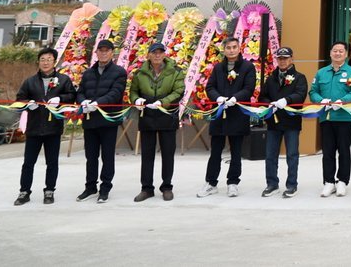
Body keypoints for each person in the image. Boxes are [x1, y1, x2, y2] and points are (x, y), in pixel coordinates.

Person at [14, 47, 75, 205]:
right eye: (42, 59)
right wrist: (28, 104)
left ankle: (49, 191)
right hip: (34, 128)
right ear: (38, 62)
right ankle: (24, 192)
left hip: (53, 128)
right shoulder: (30, 81)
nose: (45, 62)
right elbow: (19, 99)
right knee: (28, 163)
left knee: (52, 162)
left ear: (54, 62)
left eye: (49, 59)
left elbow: (72, 96)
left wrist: (60, 99)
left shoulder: (63, 80)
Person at [197, 36, 256, 198]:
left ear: (239, 48)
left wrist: (235, 98)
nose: (231, 50)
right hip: (220, 114)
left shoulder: (248, 67)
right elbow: (210, 87)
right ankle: (211, 183)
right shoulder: (218, 68)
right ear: (224, 50)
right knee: (215, 151)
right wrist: (218, 98)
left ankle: (233, 183)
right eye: (228, 48)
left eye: (234, 47)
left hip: (238, 114)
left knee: (236, 151)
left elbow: (249, 88)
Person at [128, 41, 185, 202]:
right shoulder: (140, 73)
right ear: (148, 55)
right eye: (154, 52)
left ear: (164, 54)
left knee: (168, 154)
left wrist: (163, 102)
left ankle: (167, 187)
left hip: (167, 115)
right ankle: (146, 188)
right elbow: (133, 91)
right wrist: (136, 100)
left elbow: (179, 91)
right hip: (147, 116)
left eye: (160, 52)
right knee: (147, 155)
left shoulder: (175, 71)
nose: (157, 55)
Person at [75, 39, 127, 203]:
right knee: (90, 156)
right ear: (96, 52)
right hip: (90, 120)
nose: (103, 53)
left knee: (107, 156)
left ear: (112, 53)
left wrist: (97, 103)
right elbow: (80, 92)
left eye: (107, 50)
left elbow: (115, 93)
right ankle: (90, 187)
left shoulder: (119, 72)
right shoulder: (88, 73)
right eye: (101, 50)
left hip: (108, 121)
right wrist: (83, 102)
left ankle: (105, 188)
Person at [309, 40, 351, 197]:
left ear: (346, 54)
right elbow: (313, 92)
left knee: (344, 150)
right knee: (328, 151)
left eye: (341, 51)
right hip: (326, 118)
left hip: (344, 118)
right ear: (330, 53)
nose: (337, 53)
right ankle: (328, 182)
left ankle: (342, 181)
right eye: (335, 51)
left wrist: (342, 101)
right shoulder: (321, 73)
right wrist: (321, 100)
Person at [261, 46, 307, 198]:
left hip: (291, 122)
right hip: (273, 122)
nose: (282, 61)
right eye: (280, 58)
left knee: (292, 155)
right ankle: (272, 184)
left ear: (292, 59)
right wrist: (269, 104)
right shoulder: (271, 78)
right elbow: (263, 96)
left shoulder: (299, 77)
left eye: (285, 58)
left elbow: (300, 95)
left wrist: (286, 100)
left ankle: (292, 185)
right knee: (270, 155)